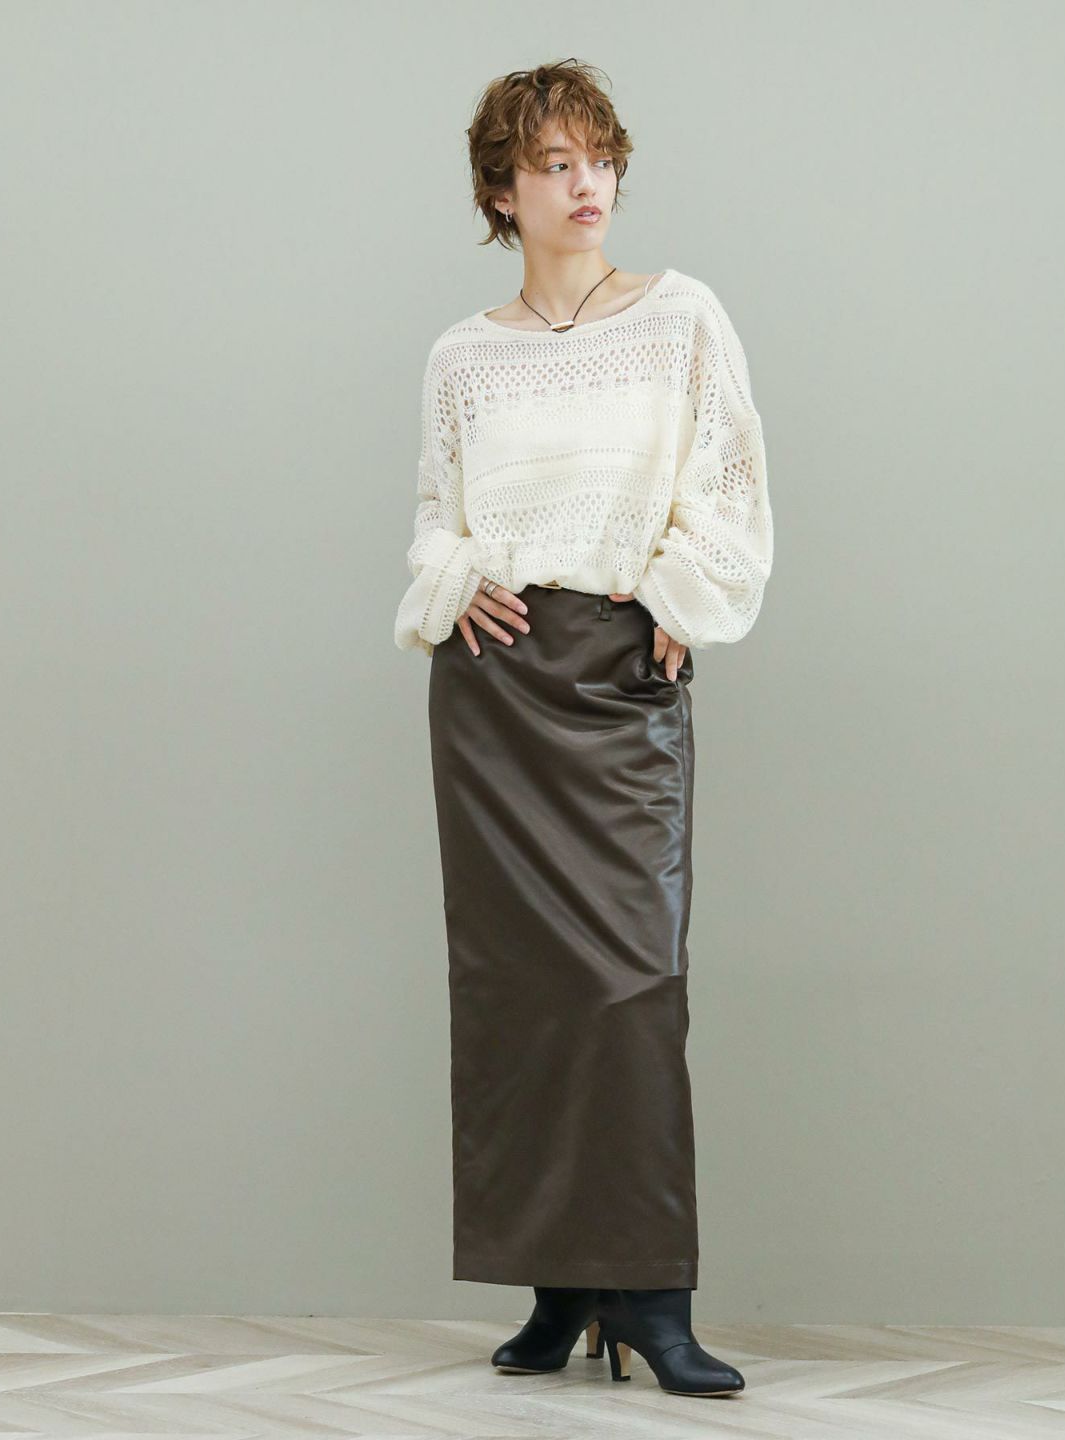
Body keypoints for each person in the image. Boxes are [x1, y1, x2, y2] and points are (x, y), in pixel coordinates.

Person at [394, 59, 773, 1399]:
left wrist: (678, 595)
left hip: (617, 672)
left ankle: (653, 1297)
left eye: (598, 157)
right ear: (503, 191)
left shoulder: (679, 318)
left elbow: (727, 480)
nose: (585, 183)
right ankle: (558, 1285)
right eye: (554, 164)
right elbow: (436, 518)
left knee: (631, 987)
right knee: (519, 994)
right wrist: (455, 580)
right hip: (495, 690)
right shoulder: (464, 356)